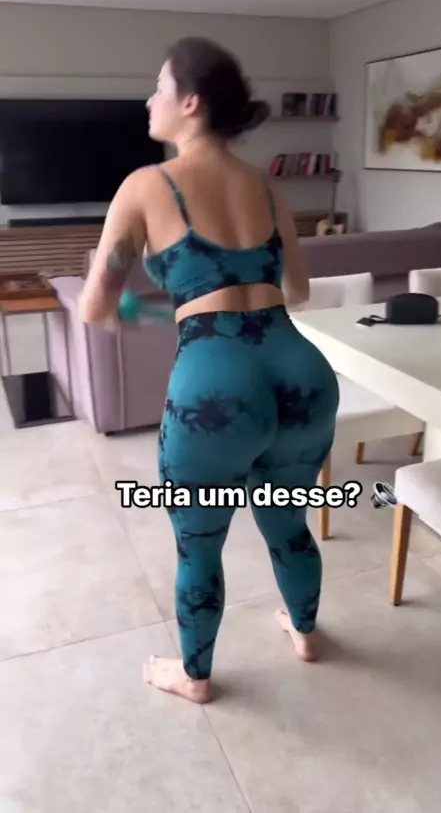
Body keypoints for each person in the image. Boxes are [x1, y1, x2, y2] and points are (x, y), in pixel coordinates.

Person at [78, 37, 339, 705]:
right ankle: (306, 632)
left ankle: (195, 677)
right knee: (288, 521)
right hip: (301, 372)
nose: (148, 101)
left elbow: (96, 307)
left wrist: (156, 309)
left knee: (199, 545)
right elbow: (299, 289)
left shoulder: (145, 185)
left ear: (190, 103)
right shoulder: (265, 185)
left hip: (216, 385)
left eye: (158, 87)